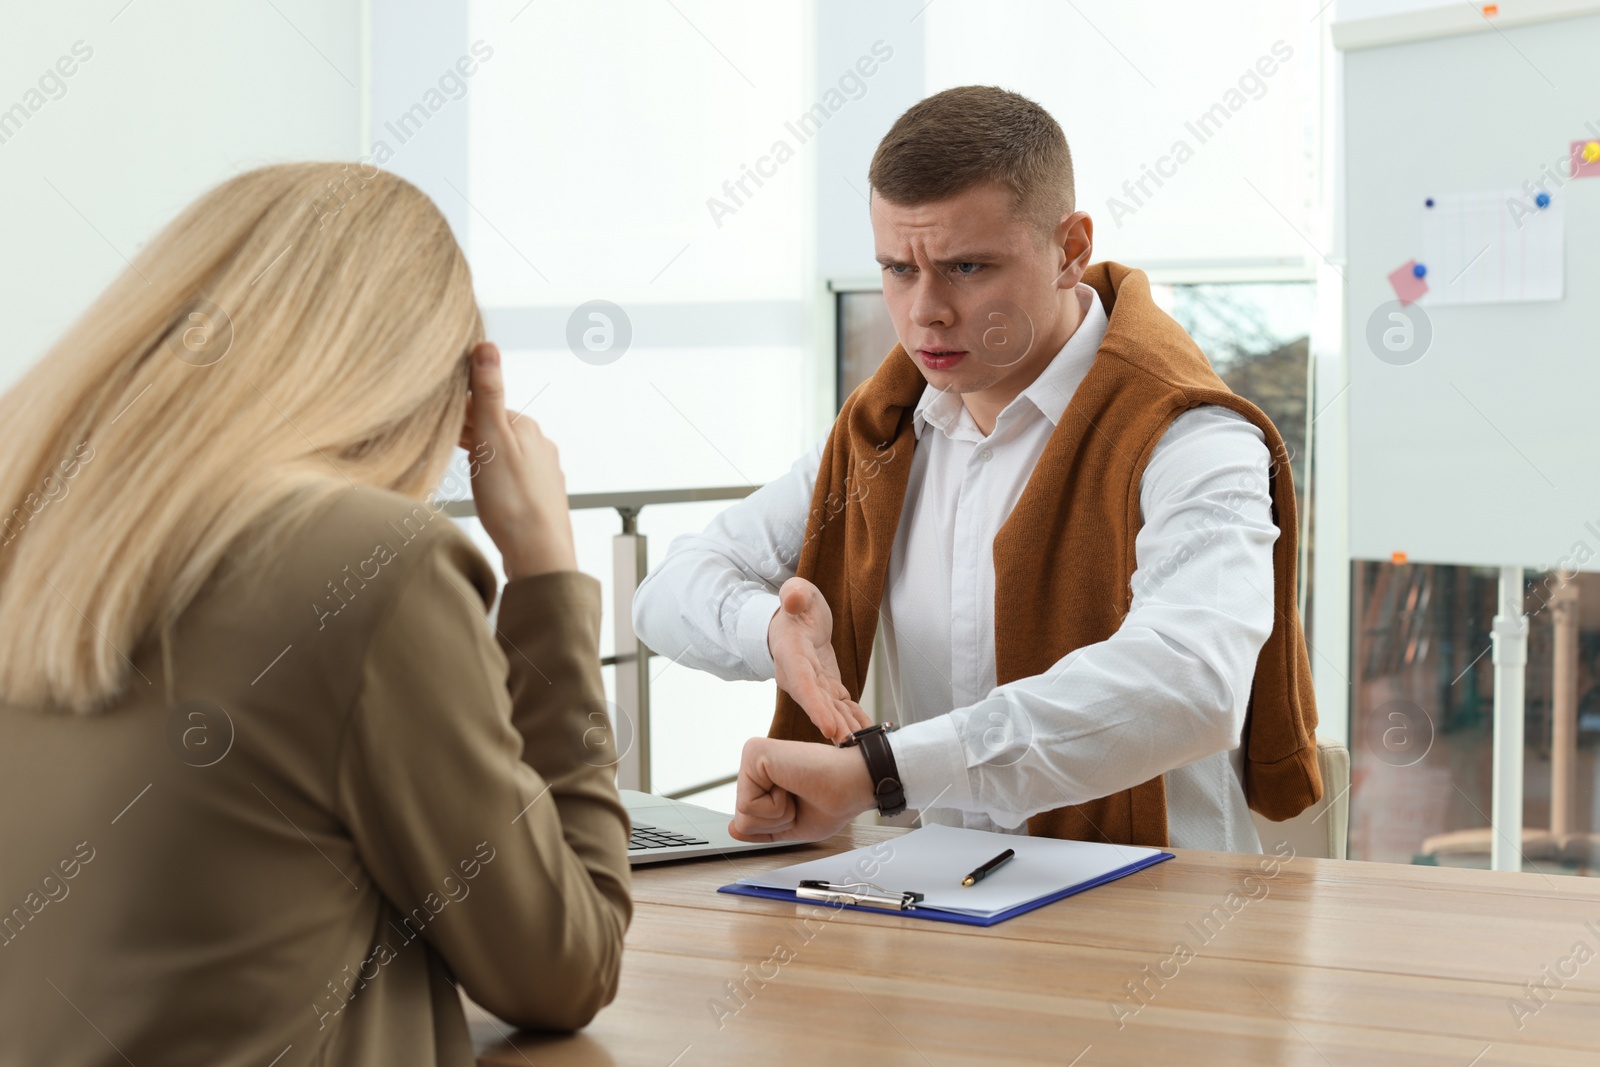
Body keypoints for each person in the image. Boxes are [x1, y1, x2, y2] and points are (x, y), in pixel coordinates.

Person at [0, 163, 629, 1066]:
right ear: (428, 390)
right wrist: (545, 572)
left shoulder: (35, 519)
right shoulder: (369, 562)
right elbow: (565, 963)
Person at [633, 86, 1322, 853]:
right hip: (939, 905)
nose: (924, 310)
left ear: (1070, 249)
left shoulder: (1191, 437)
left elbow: (1192, 678)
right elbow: (667, 591)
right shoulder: (883, 438)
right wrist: (769, 633)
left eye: (966, 266)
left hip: (1160, 917)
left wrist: (882, 771)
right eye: (897, 268)